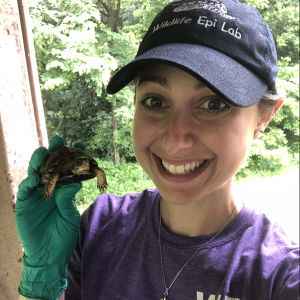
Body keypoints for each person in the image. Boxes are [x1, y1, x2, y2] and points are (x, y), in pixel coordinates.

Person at [16, 0, 299, 299]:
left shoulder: (279, 276)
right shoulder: (98, 228)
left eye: (214, 104)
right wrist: (41, 281)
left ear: (264, 117)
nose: (175, 140)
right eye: (155, 101)